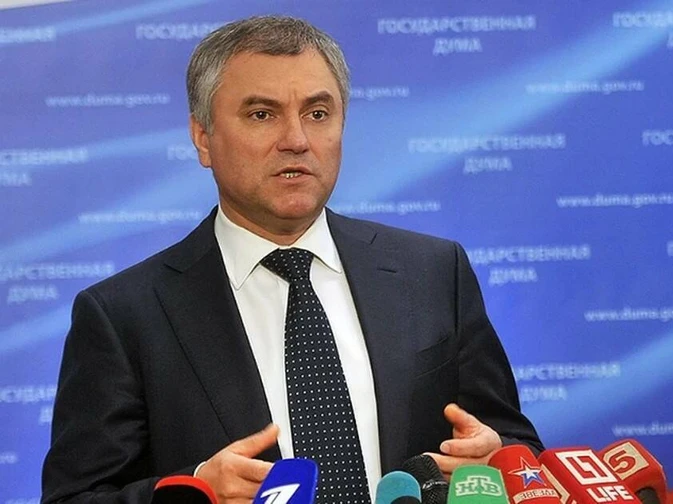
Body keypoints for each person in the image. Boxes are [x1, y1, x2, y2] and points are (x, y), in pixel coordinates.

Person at [41, 15, 543, 504]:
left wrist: (497, 461)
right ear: (202, 137)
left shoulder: (433, 271)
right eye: (262, 114)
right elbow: (76, 496)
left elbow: (520, 450)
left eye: (318, 113)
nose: (297, 140)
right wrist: (194, 491)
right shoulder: (125, 315)